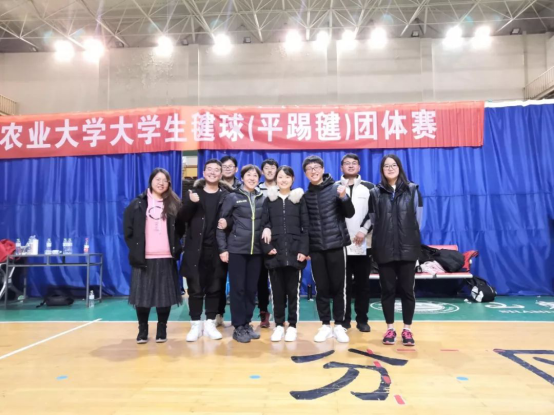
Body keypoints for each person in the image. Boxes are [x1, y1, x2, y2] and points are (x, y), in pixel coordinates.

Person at [123, 168, 183, 344]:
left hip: (166, 256)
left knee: (164, 295)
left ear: (169, 183)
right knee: (142, 296)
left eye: (165, 180)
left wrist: (176, 246)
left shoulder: (174, 203)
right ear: (151, 181)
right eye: (158, 179)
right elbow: (128, 230)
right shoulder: (137, 203)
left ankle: (162, 328)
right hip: (144, 258)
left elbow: (181, 229)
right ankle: (142, 329)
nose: (161, 183)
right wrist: (137, 249)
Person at [368, 154, 423, 347]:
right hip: (384, 249)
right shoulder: (375, 193)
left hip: (408, 249)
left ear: (399, 167)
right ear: (382, 170)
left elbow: (418, 220)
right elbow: (374, 221)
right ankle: (390, 328)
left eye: (393, 165)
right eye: (386, 166)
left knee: (407, 291)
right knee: (387, 291)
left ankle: (407, 329)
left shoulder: (413, 190)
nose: (390, 168)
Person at [302, 156, 355, 343]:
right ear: (305, 173)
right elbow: (305, 225)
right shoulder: (306, 196)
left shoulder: (336, 189)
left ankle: (339, 325)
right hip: (316, 249)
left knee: (339, 287)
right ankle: (325, 325)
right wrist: (306, 248)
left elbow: (350, 213)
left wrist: (344, 197)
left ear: (323, 169)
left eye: (316, 167)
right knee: (321, 288)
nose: (313, 171)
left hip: (336, 246)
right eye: (309, 168)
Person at [178, 159, 231, 342]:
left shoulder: (227, 196)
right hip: (195, 249)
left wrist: (228, 222)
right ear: (204, 172)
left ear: (221, 174)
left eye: (217, 170)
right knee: (195, 288)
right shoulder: (193, 194)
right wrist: (191, 203)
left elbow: (234, 218)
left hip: (218, 249)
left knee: (215, 288)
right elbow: (181, 218)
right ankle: (195, 324)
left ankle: (210, 323)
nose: (213, 172)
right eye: (209, 169)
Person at [216, 165, 265, 343]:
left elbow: (267, 221)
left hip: (256, 251)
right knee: (238, 289)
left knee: (251, 290)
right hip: (237, 250)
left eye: (255, 175)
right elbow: (221, 224)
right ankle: (238, 326)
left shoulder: (262, 198)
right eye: (248, 175)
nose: (252, 178)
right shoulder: (232, 197)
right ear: (242, 178)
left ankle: (246, 323)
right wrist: (223, 249)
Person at [260, 166, 309, 342]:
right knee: (277, 293)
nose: (283, 180)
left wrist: (303, 250)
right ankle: (279, 325)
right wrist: (267, 247)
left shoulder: (299, 199)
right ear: (276, 180)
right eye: (280, 177)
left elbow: (306, 227)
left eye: (287, 177)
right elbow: (263, 225)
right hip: (275, 254)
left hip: (295, 254)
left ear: (293, 179)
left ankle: (293, 325)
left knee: (293, 294)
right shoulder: (269, 200)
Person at [340, 153, 374, 333]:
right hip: (341, 245)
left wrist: (363, 230)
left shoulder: (369, 187)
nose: (351, 166)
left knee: (363, 285)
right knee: (343, 286)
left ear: (359, 167)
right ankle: (344, 321)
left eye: (354, 163)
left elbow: (374, 212)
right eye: (347, 163)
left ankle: (362, 320)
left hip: (364, 243)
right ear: (341, 168)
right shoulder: (335, 187)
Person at [216, 155, 241, 326]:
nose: (227, 168)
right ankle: (218, 314)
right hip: (219, 238)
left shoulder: (242, 187)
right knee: (218, 279)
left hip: (238, 239)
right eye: (224, 166)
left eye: (230, 166)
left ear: (236, 169)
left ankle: (239, 319)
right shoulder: (214, 186)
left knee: (238, 282)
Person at [257, 158, 279, 328]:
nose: (270, 170)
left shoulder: (284, 188)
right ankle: (263, 311)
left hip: (279, 239)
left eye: (273, 168)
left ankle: (280, 313)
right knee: (261, 280)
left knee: (279, 280)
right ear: (262, 171)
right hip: (259, 240)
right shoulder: (256, 189)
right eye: (266, 168)